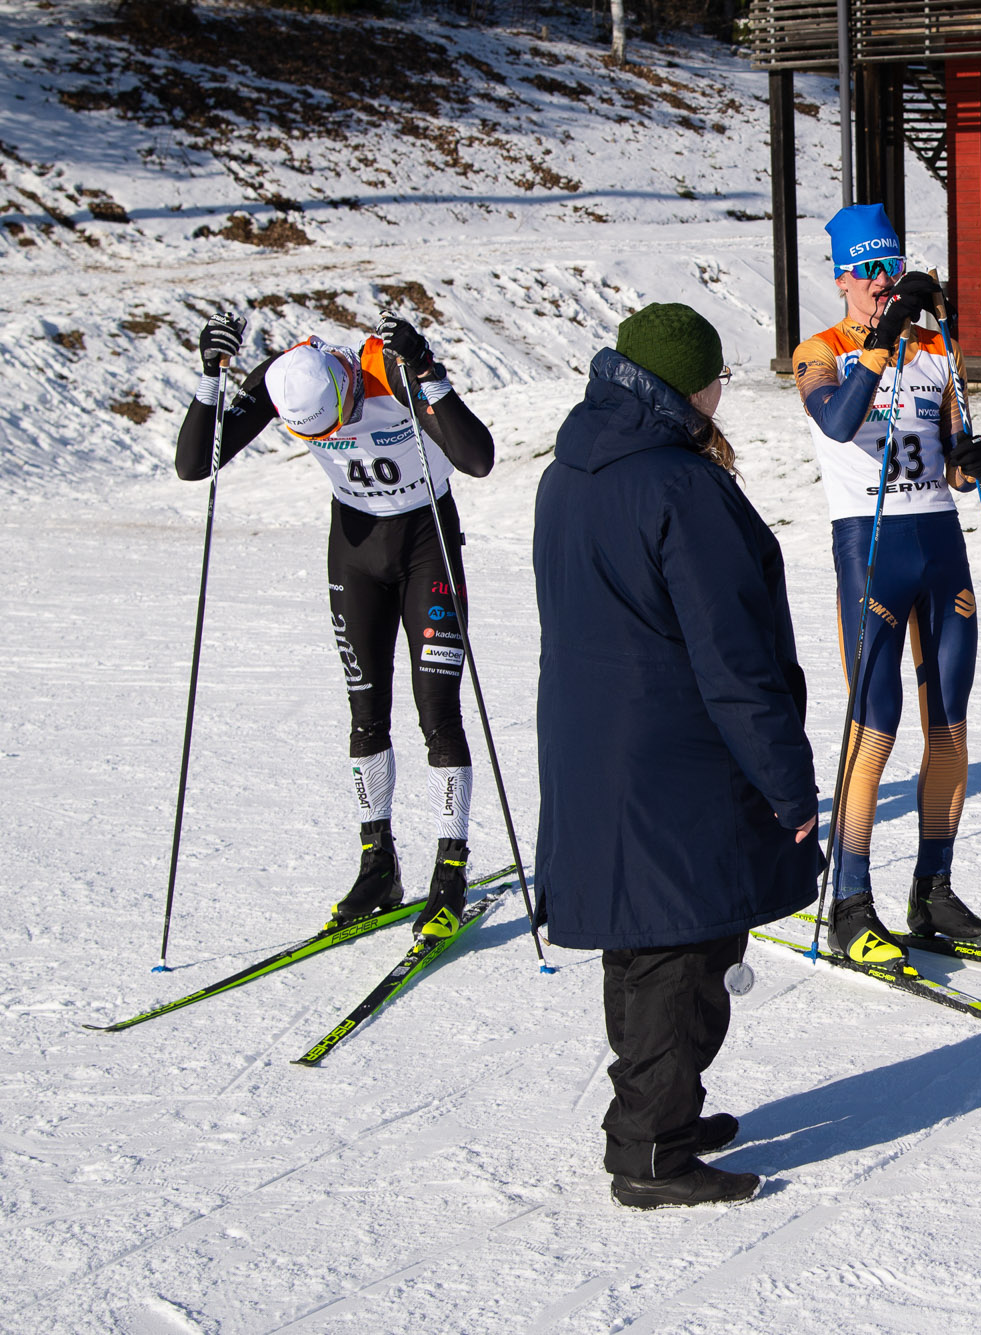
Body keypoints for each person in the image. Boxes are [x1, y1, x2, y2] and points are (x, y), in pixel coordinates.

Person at [534, 302, 819, 1210]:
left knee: (641, 938)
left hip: (595, 748)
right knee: (684, 949)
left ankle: (658, 1115)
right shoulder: (680, 486)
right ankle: (651, 1150)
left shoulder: (570, 468)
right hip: (676, 757)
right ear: (691, 386)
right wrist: (787, 781)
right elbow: (734, 656)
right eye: (718, 379)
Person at [174, 311, 495, 940]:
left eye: (340, 418)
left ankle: (450, 870)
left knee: (437, 712)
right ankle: (378, 865)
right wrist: (210, 377)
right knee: (366, 712)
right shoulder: (281, 378)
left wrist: (426, 372)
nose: (338, 432)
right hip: (354, 548)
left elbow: (477, 459)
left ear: (345, 385)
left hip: (425, 540)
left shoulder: (387, 369)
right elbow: (193, 465)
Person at [791, 203, 981, 968]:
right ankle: (849, 901)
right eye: (868, 272)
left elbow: (952, 459)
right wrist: (883, 340)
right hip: (870, 549)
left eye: (891, 268)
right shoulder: (819, 352)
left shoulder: (938, 348)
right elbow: (840, 423)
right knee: (874, 724)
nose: (882, 283)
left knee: (950, 725)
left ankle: (933, 889)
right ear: (843, 279)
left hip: (939, 545)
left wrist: (970, 462)